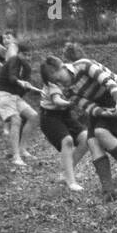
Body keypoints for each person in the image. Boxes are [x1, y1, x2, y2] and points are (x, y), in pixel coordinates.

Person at [42, 55, 117, 200]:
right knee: (92, 141)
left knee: (101, 132)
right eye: (55, 82)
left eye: (59, 78)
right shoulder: (67, 90)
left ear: (62, 66)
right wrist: (104, 113)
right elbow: (89, 106)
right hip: (100, 104)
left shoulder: (84, 65)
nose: (60, 83)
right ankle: (108, 190)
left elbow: (109, 82)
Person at [0, 32, 39, 167]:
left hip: (13, 96)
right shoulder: (14, 60)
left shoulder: (27, 67)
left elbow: (23, 88)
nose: (27, 57)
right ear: (19, 53)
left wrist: (26, 86)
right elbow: (12, 78)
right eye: (24, 54)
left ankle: (22, 149)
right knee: (16, 119)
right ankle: (16, 157)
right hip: (0, 92)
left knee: (33, 117)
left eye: (29, 55)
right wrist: (20, 82)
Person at [38, 59, 88, 191]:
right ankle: (71, 181)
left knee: (85, 138)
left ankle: (66, 173)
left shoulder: (68, 75)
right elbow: (57, 100)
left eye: (57, 71)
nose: (56, 75)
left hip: (65, 116)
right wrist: (69, 103)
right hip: (49, 117)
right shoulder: (52, 86)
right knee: (67, 141)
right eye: (52, 74)